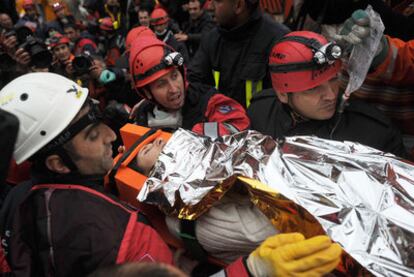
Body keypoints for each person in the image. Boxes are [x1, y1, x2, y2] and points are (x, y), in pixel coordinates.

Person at [0, 72, 341, 277]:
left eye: (99, 123)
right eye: (91, 136)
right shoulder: (112, 234)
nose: (109, 136)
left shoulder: (23, 200)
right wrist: (253, 271)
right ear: (58, 163)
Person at [247, 30, 408, 159]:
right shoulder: (260, 114)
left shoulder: (374, 134)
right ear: (282, 94)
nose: (331, 95)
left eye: (333, 80)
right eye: (313, 88)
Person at [129, 35, 249, 137]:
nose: (174, 89)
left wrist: (195, 135)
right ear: (147, 92)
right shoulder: (143, 114)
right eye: (161, 84)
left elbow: (240, 125)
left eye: (174, 76)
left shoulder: (207, 100)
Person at [187, 0, 289, 108]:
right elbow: (193, 82)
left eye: (217, 1)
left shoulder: (279, 41)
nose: (210, 6)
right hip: (219, 121)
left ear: (238, 5)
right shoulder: (212, 39)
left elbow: (286, 102)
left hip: (260, 124)